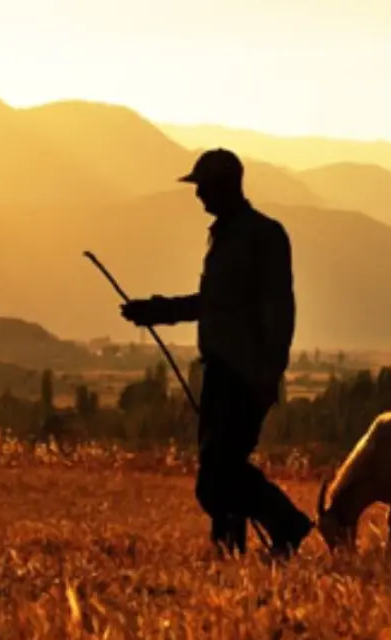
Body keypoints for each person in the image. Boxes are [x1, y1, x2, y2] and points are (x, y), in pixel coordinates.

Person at [120, 148, 313, 560]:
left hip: (246, 375)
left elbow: (279, 310)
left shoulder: (262, 236)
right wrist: (155, 311)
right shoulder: (226, 235)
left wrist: (268, 372)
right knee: (220, 470)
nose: (198, 196)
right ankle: (228, 552)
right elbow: (212, 302)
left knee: (218, 474)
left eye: (203, 187)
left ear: (226, 186)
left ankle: (287, 524)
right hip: (223, 371)